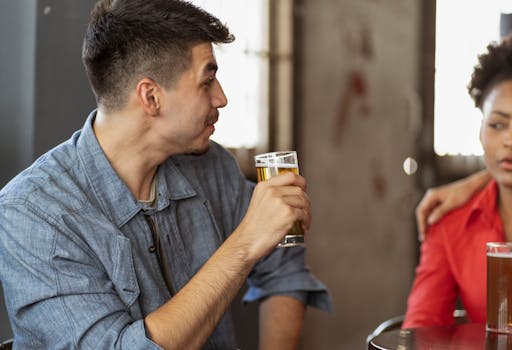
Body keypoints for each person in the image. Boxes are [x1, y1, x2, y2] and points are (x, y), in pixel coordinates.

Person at [0, 1, 331, 349]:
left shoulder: (210, 164)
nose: (222, 98)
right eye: (208, 80)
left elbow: (282, 258)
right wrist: (244, 243)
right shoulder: (31, 215)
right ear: (151, 97)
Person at [403, 34, 512, 328]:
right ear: (480, 131)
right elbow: (421, 331)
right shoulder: (450, 223)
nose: (509, 140)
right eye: (497, 125)